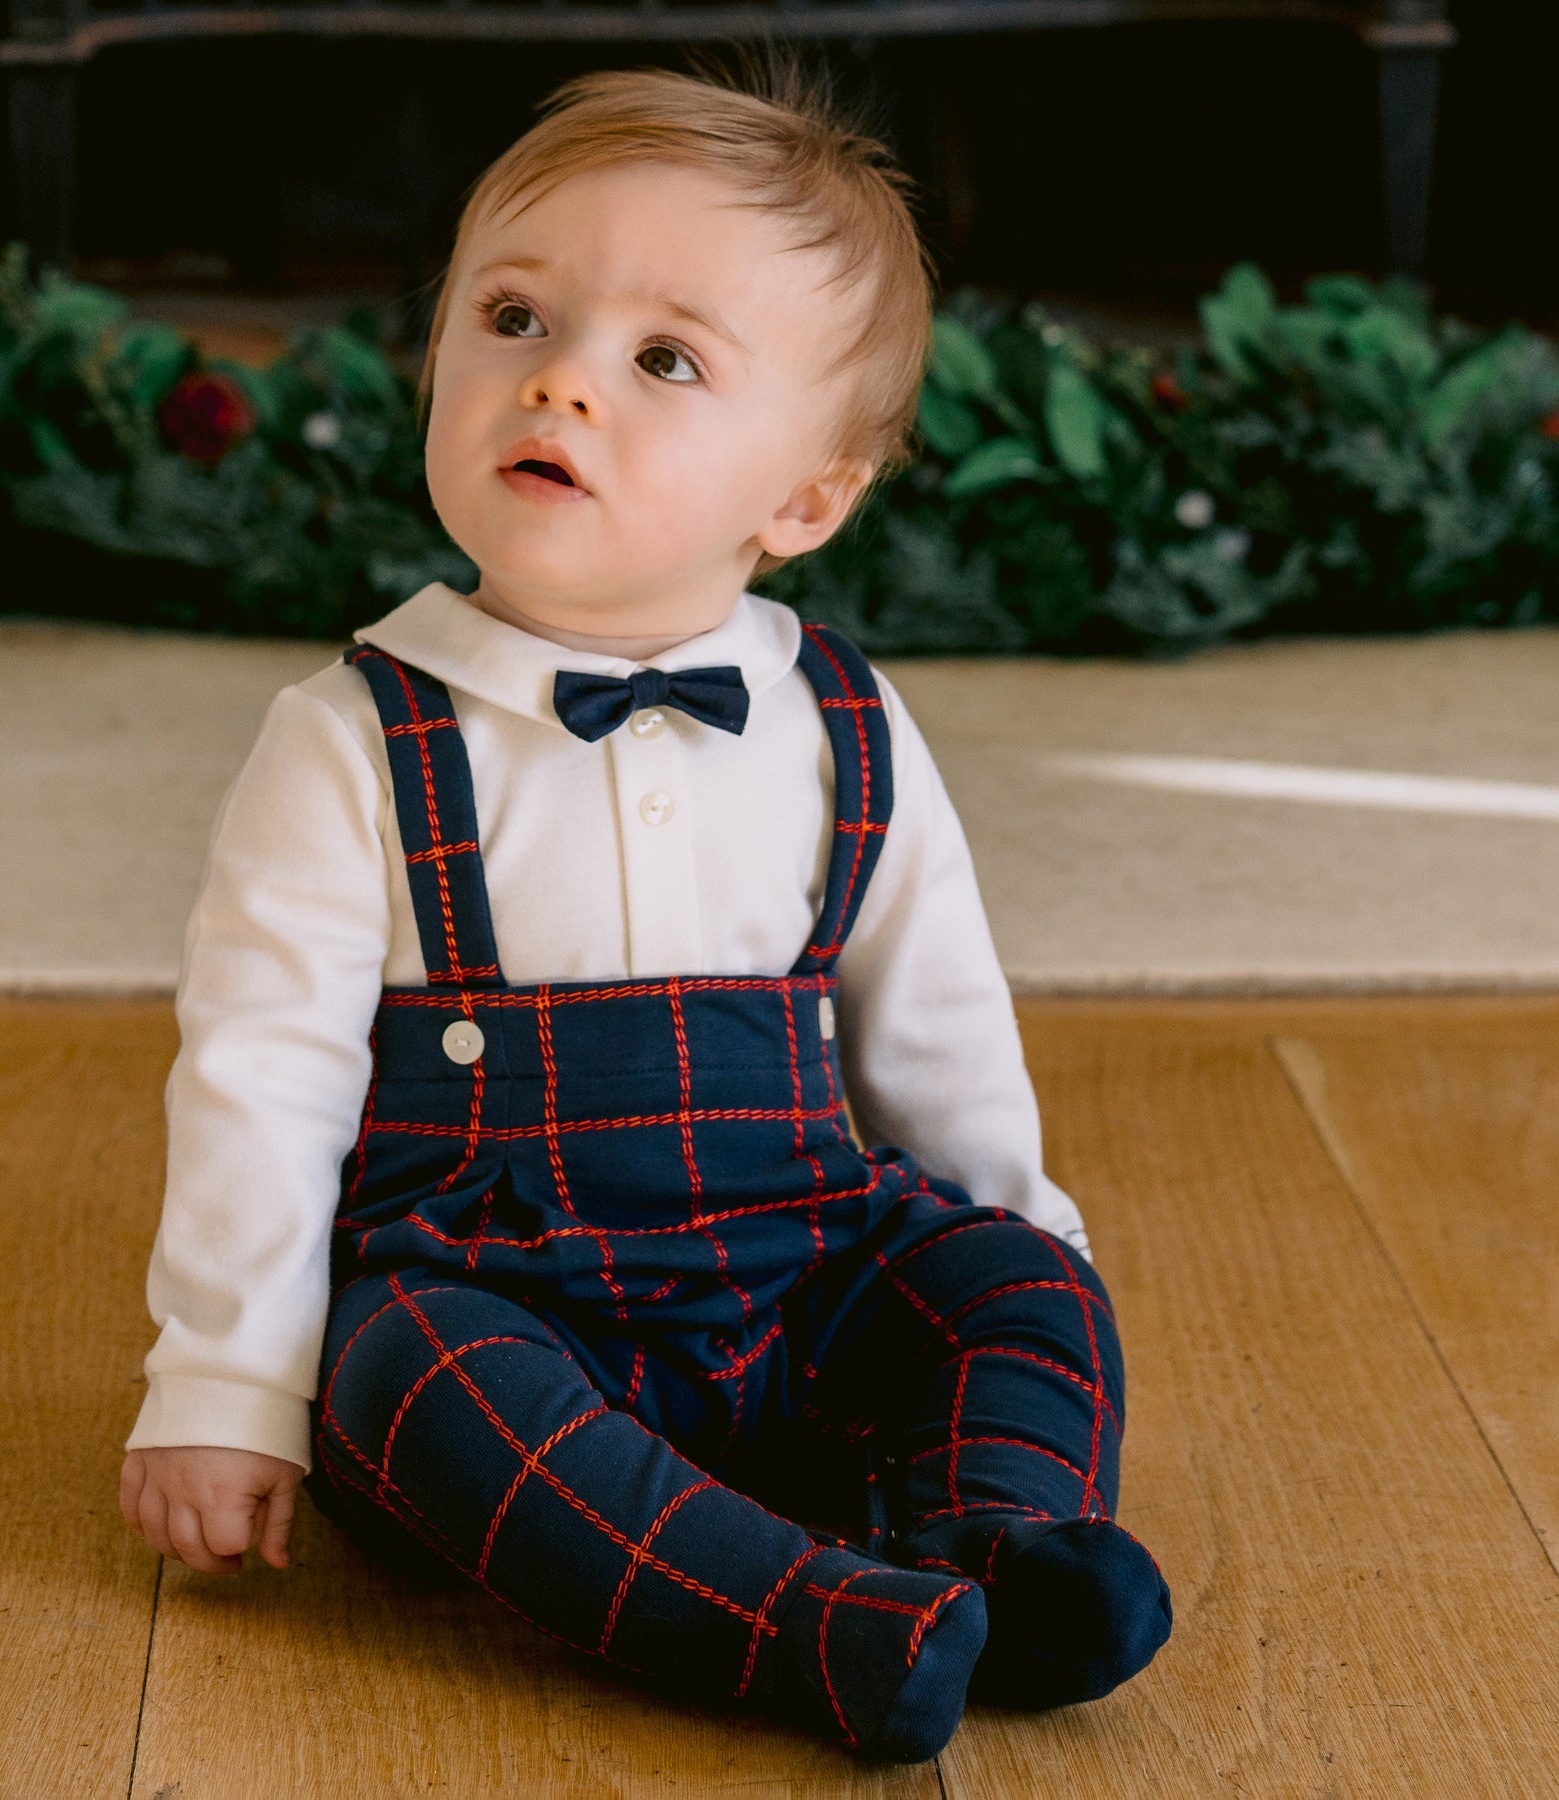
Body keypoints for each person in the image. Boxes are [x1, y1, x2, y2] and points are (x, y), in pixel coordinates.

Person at [118, 59, 1171, 1762]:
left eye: (664, 359)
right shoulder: (354, 739)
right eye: (512, 318)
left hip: (800, 1273)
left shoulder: (841, 720)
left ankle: (996, 1544)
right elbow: (261, 1078)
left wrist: (1009, 1244)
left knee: (1021, 1280)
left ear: (804, 500)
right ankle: (809, 1622)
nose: (560, 381)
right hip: (505, 1297)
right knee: (406, 1376)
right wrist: (225, 1386)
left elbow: (938, 1023)